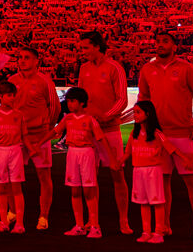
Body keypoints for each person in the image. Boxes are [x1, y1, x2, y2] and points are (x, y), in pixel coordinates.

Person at [141, 30, 193, 239]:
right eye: (158, 41)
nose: (160, 45)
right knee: (162, 182)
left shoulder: (186, 68)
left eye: (165, 41)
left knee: (191, 181)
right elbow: (143, 99)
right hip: (159, 135)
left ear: (174, 46)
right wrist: (145, 126)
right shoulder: (147, 69)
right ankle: (164, 225)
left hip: (183, 134)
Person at [77, 30, 132, 232]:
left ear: (97, 47)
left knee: (117, 174)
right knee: (90, 177)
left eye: (85, 48)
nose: (82, 52)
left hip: (109, 130)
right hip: (88, 132)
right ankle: (93, 221)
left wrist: (105, 116)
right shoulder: (83, 69)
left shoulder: (114, 68)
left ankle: (124, 220)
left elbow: (122, 100)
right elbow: (80, 96)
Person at [7, 44, 59, 233]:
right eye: (20, 57)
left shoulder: (45, 81)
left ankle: (43, 215)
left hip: (39, 136)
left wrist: (48, 128)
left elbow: (54, 107)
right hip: (18, 136)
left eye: (27, 57)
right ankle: (13, 211)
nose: (22, 60)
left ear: (37, 61)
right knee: (13, 177)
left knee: (44, 177)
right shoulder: (12, 80)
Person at [53, 86, 104, 237]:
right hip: (72, 153)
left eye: (73, 101)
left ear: (82, 103)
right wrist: (38, 143)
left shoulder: (90, 120)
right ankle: (79, 225)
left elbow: (101, 139)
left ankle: (95, 225)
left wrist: (113, 159)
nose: (69, 104)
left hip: (87, 153)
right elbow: (55, 132)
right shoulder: (68, 118)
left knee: (88, 191)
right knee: (75, 190)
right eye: (68, 101)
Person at [0, 79, 29, 233]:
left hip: (15, 151)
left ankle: (19, 223)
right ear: (0, 96)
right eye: (9, 95)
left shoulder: (19, 115)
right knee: (2, 188)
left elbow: (24, 137)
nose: (12, 98)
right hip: (0, 152)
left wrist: (30, 151)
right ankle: (3, 221)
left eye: (13, 95)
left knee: (17, 188)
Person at [128, 100, 171, 243]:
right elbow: (128, 152)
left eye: (138, 112)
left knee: (157, 202)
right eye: (134, 112)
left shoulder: (157, 133)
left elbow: (170, 148)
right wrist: (117, 162)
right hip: (138, 171)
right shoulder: (134, 134)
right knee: (143, 202)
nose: (135, 115)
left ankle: (158, 232)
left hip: (153, 171)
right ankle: (146, 231)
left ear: (148, 113)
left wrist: (187, 159)